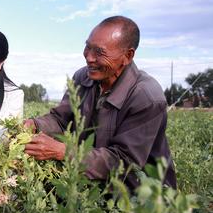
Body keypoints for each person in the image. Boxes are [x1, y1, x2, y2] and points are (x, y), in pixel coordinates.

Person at [24, 16, 176, 191]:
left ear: (127, 55)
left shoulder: (146, 96)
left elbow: (124, 161)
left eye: (99, 52)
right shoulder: (83, 77)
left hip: (137, 193)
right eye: (87, 47)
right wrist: (34, 125)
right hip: (89, 180)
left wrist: (64, 152)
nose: (89, 57)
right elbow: (61, 120)